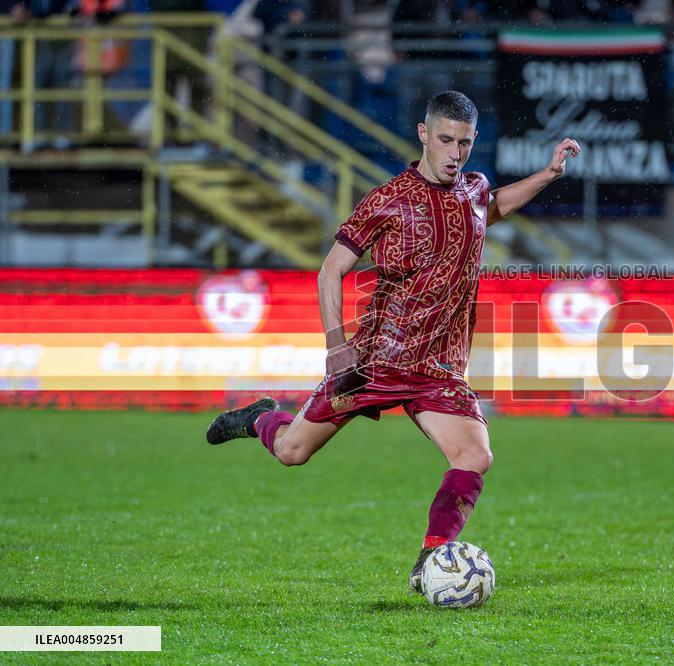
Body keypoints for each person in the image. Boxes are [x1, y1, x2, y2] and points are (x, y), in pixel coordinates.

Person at [205, 91, 581, 592]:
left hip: (440, 369)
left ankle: (431, 560)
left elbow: (494, 207)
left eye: (465, 144)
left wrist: (548, 174)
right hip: (376, 361)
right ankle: (259, 418)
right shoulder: (387, 201)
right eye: (445, 140)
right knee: (293, 451)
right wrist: (337, 344)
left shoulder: (473, 189)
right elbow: (331, 270)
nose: (455, 153)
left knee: (475, 456)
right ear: (424, 135)